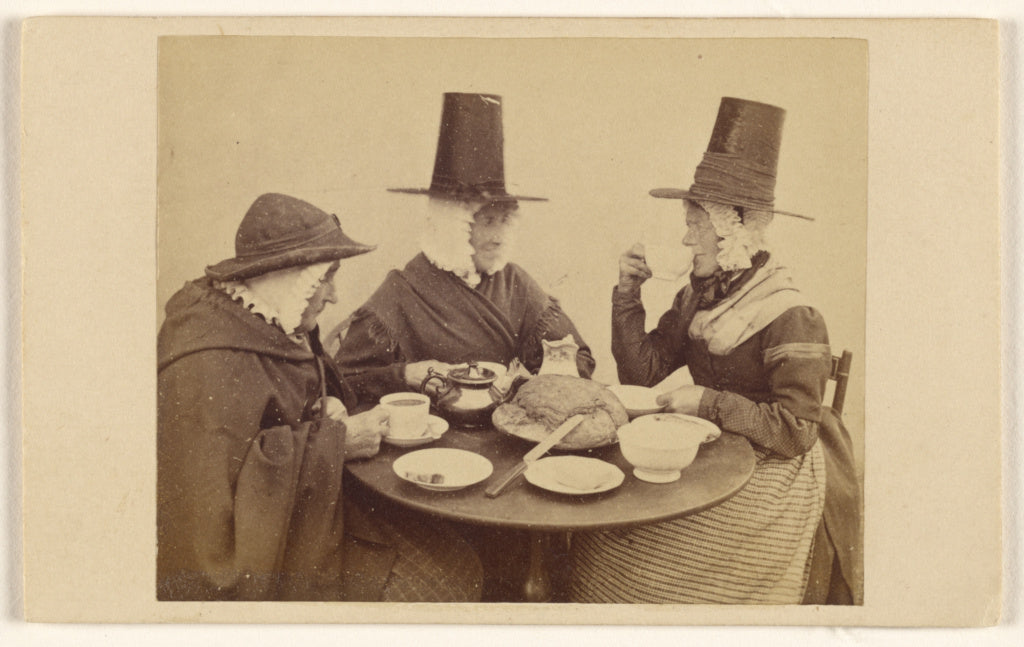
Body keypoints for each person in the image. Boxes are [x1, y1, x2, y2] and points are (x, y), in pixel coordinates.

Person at [570, 98, 863, 605]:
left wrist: (707, 403)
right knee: (612, 523)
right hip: (708, 455)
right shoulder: (700, 295)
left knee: (665, 548)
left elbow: (794, 433)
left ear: (736, 226)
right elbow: (643, 373)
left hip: (775, 468)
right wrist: (626, 294)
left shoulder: (790, 312)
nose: (686, 239)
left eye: (695, 224)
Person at [157, 192, 483, 601]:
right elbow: (209, 519)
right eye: (325, 277)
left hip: (309, 507)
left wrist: (400, 376)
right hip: (271, 554)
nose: (333, 295)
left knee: (460, 558)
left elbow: (318, 393)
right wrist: (336, 443)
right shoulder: (206, 362)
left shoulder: (274, 321)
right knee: (443, 586)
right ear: (291, 279)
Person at [332, 92, 595, 402]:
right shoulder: (402, 290)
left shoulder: (515, 284)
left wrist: (531, 381)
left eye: (502, 222)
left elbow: (580, 359)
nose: (498, 237)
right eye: (485, 222)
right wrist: (406, 375)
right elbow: (344, 381)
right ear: (451, 224)